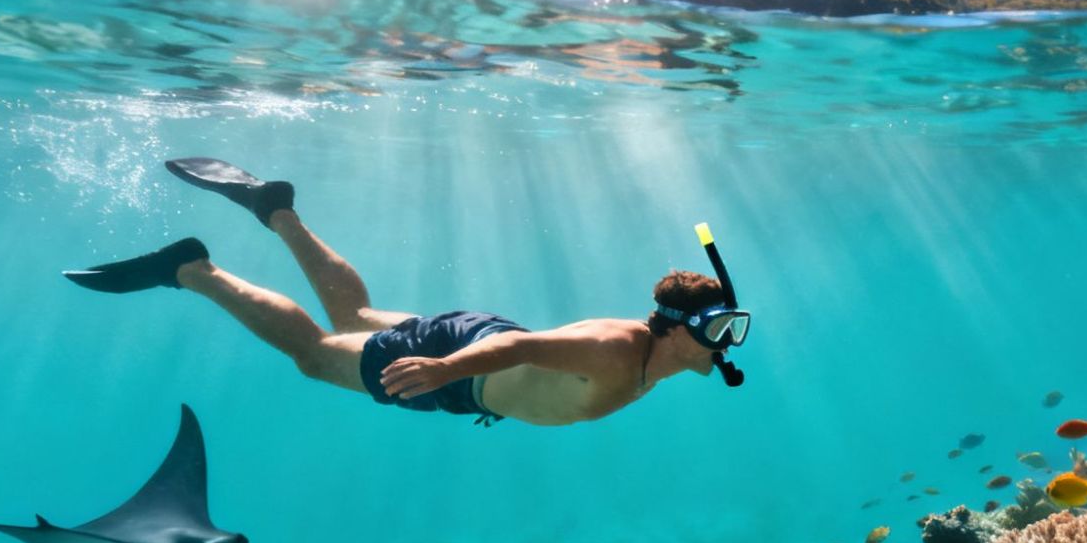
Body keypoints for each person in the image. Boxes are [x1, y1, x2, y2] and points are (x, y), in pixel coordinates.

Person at [64, 159, 750, 426]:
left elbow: (529, 362)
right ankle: (193, 269)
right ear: (675, 326)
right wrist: (445, 371)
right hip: (462, 367)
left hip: (474, 353)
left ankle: (275, 208)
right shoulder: (617, 348)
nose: (727, 344)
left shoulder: (654, 358)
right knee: (314, 351)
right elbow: (522, 345)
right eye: (720, 329)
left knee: (356, 314)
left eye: (733, 330)